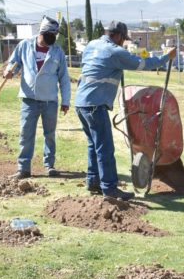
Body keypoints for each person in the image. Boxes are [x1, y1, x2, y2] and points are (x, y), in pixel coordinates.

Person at [74, 20, 176, 200]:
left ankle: (93, 181)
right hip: (95, 105)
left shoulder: (91, 45)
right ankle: (110, 189)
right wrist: (166, 57)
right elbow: (142, 64)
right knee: (105, 148)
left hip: (81, 103)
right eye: (123, 39)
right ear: (118, 36)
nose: (123, 42)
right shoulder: (115, 51)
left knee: (94, 144)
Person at [4, 16, 71, 179]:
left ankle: (50, 166)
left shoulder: (57, 51)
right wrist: (9, 71)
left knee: (49, 134)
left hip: (50, 101)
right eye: (50, 35)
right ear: (42, 32)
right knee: (26, 134)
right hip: (29, 99)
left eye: (55, 35)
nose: (53, 39)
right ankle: (23, 168)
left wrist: (66, 101)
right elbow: (14, 62)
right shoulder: (25, 45)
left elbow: (64, 77)